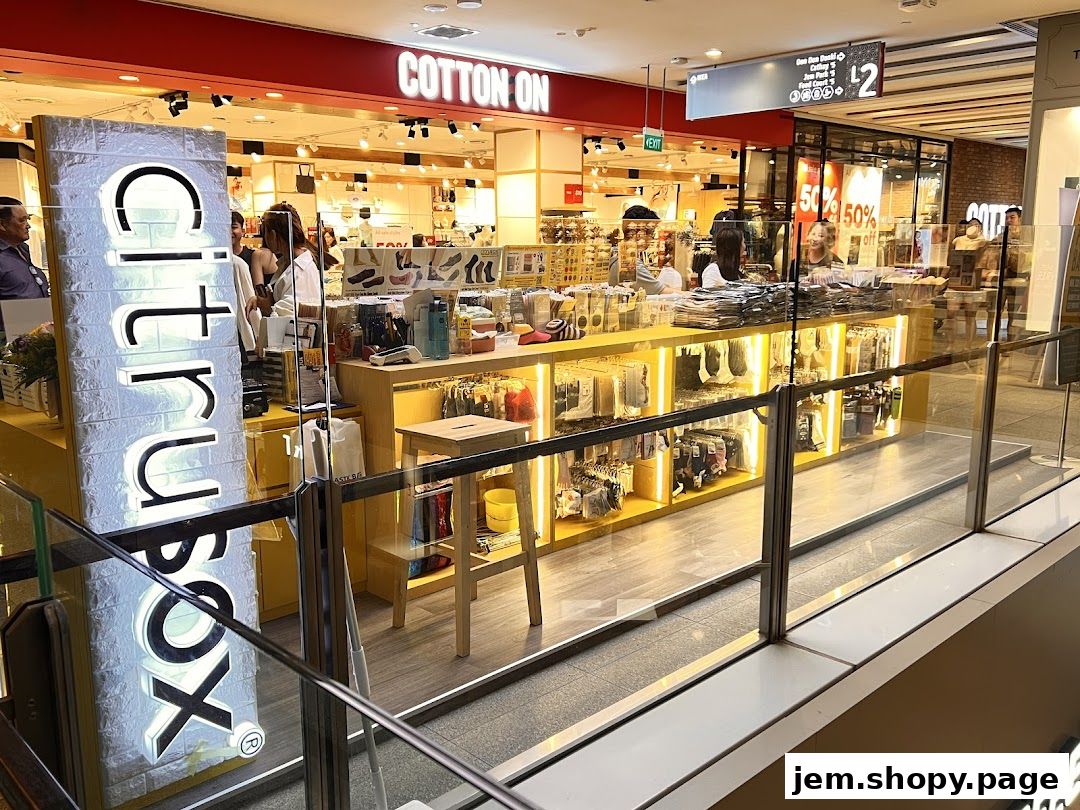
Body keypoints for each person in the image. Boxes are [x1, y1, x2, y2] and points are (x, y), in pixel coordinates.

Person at [261, 203, 323, 317]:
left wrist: (267, 307)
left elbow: (289, 319)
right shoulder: (291, 264)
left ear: (273, 235)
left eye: (265, 232)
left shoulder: (300, 271)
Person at [620, 205, 681, 294]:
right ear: (639, 233)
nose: (652, 238)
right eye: (651, 233)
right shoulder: (631, 262)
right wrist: (693, 295)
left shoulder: (617, 255)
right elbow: (661, 291)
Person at [0, 197, 49, 300]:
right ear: (2, 225)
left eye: (27, 219)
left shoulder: (23, 249)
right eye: (22, 220)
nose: (28, 226)